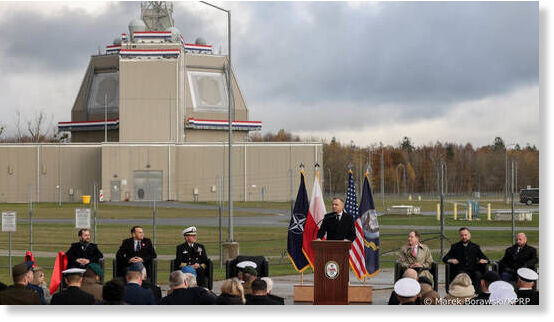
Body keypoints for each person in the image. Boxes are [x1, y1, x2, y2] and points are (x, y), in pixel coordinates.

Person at [442, 227, 489, 291]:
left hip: (473, 270)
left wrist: (484, 261)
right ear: (459, 236)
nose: (464, 237)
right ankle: (462, 294)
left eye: (465, 235)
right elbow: (445, 258)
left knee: (478, 275)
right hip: (460, 271)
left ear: (469, 235)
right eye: (462, 235)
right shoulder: (455, 247)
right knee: (461, 275)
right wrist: (451, 260)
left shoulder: (475, 247)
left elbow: (486, 259)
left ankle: (477, 295)